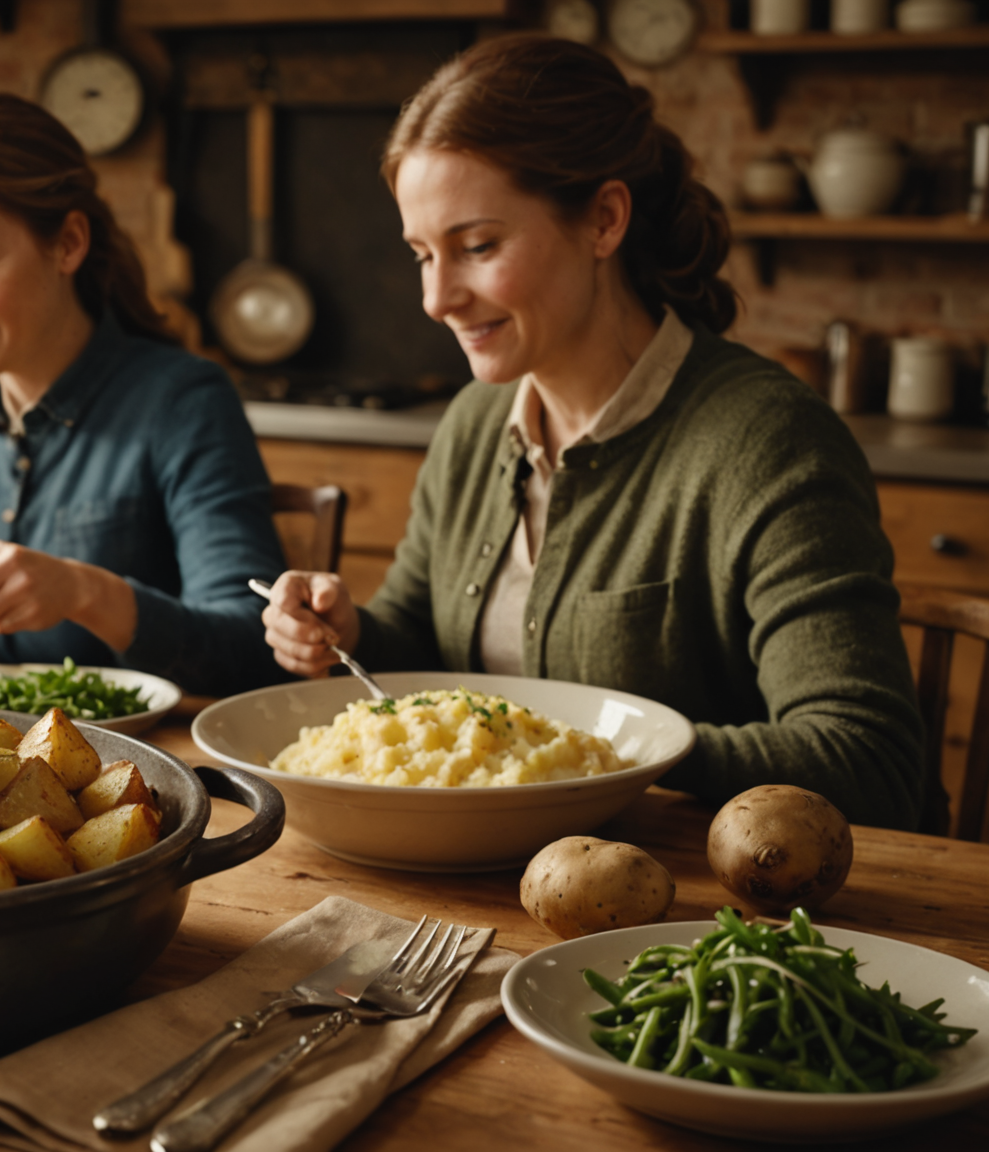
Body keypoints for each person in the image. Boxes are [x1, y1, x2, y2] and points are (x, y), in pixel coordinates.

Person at [259, 36, 925, 829]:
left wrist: (579, 761)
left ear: (604, 220)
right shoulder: (476, 421)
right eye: (420, 255)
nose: (437, 298)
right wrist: (347, 630)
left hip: (706, 913)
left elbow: (868, 761)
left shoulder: (772, 442)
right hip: (475, 881)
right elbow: (418, 631)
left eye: (477, 247)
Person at [0, 92, 289, 697]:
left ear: (69, 242)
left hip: (149, 777)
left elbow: (255, 650)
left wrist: (86, 594)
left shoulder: (184, 402)